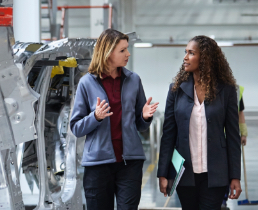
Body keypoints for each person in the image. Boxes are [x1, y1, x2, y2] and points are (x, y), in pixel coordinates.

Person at [70, 29, 158, 210]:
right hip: (98, 164)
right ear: (108, 53)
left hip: (130, 163)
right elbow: (76, 127)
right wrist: (95, 117)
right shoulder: (87, 83)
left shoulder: (134, 80)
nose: (128, 53)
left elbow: (140, 126)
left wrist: (145, 116)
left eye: (127, 49)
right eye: (123, 50)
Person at [157, 35, 242, 210]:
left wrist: (235, 176)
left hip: (216, 173)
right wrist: (162, 173)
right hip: (184, 173)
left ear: (205, 59)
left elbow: (233, 136)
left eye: (191, 53)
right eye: (185, 52)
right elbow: (168, 135)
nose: (185, 57)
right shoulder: (176, 90)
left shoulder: (226, 90)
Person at [221, 85, 248, 208]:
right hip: (218, 135)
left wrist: (243, 133)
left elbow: (240, 112)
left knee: (228, 168)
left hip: (230, 135)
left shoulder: (237, 90)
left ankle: (223, 199)